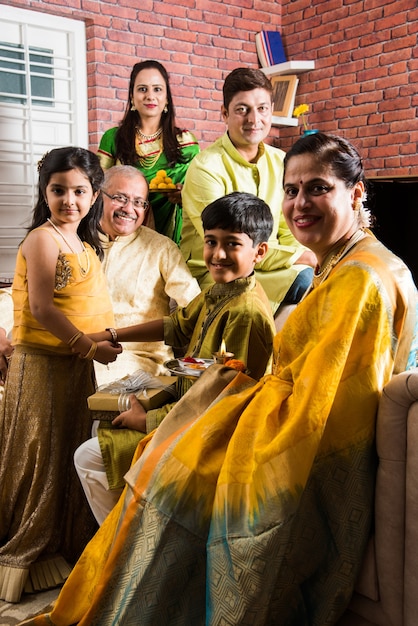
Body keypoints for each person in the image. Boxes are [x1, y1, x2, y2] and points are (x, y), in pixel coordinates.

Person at [20, 133, 417, 626]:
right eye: (291, 190)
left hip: (303, 448)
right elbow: (186, 333)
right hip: (267, 412)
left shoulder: (357, 278)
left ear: (356, 193)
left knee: (163, 468)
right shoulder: (338, 265)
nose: (300, 203)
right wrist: (123, 348)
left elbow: (314, 412)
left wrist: (189, 416)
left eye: (317, 188)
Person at [75, 191, 276, 525]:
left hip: (211, 430)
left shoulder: (246, 311)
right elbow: (178, 326)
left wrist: (149, 421)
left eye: (233, 244)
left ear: (260, 252)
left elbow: (227, 398)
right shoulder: (222, 290)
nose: (218, 255)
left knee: (90, 456)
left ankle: (120, 537)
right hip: (188, 403)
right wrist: (111, 335)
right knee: (106, 412)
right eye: (211, 242)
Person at [0, 147, 122, 604]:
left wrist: (102, 343)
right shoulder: (42, 239)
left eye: (78, 191)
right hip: (44, 366)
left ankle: (63, 547)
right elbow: (42, 309)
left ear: (94, 196)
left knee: (69, 449)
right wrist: (91, 346)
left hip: (74, 366)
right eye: (58, 190)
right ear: (44, 191)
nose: (68, 199)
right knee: (40, 458)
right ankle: (24, 555)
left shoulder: (87, 244)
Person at [180, 66, 317, 315]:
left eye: (262, 108)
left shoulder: (282, 161)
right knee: (304, 279)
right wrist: (297, 258)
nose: (254, 120)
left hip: (271, 266)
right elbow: (229, 246)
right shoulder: (205, 168)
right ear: (225, 113)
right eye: (242, 110)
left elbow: (289, 228)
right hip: (220, 271)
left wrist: (305, 253)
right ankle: (274, 352)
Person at [94, 164, 201, 387]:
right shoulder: (76, 241)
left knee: (90, 379)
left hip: (139, 358)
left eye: (139, 202)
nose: (129, 209)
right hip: (80, 349)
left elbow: (195, 306)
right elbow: (26, 294)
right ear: (98, 197)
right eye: (120, 198)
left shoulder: (162, 248)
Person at [97, 60, 200, 244]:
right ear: (132, 96)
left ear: (167, 98)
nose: (150, 96)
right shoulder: (113, 138)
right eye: (142, 89)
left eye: (157, 89)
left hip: (171, 230)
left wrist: (183, 195)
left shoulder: (185, 142)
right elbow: (98, 188)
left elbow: (198, 190)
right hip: (123, 229)